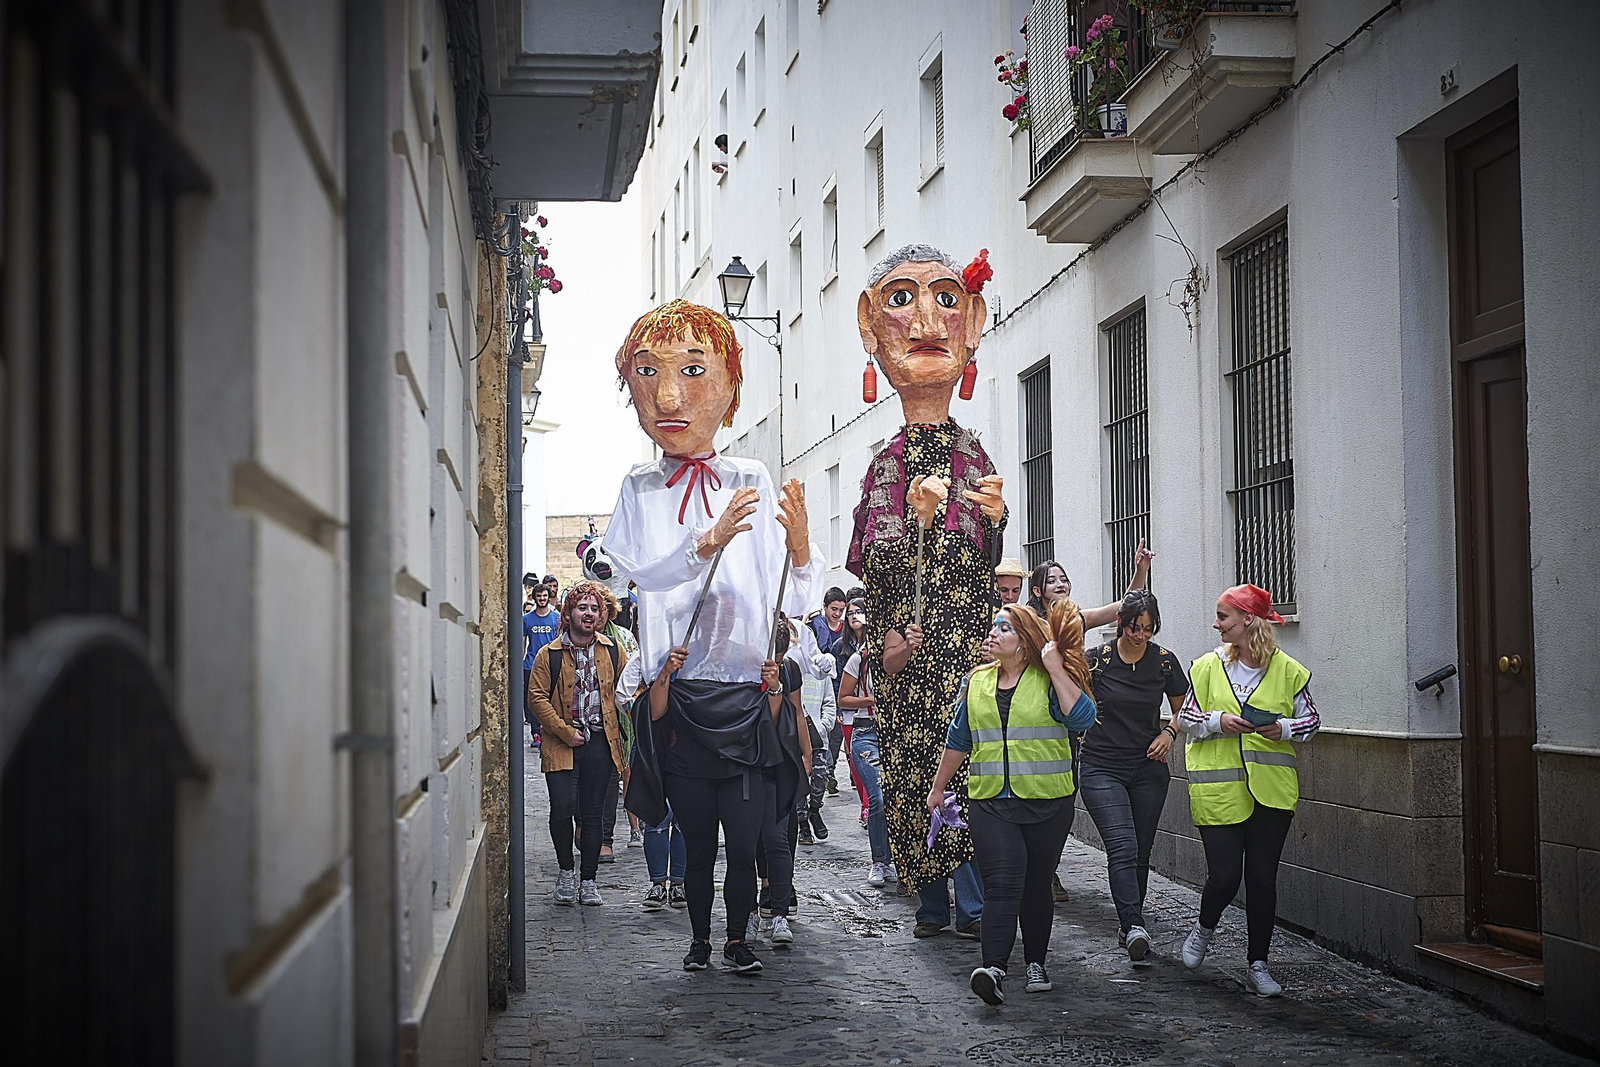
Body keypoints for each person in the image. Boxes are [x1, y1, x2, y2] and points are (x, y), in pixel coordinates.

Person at [608, 299, 823, 975]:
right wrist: (705, 541)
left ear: (728, 383)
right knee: (697, 843)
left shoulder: (751, 477)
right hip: (683, 701)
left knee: (748, 836)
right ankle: (700, 940)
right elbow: (636, 571)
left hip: (744, 699)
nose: (669, 395)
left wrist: (801, 546)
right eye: (649, 373)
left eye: (692, 370)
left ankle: (737, 938)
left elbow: (794, 595)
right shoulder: (640, 486)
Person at [847, 243, 1006, 945]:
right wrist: (913, 521)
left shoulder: (976, 455)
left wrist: (993, 523)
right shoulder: (885, 462)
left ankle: (968, 900)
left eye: (945, 298)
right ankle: (935, 898)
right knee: (916, 776)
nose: (927, 321)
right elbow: (874, 566)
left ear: (970, 321)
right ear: (873, 326)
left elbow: (985, 561)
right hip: (911, 662)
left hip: (967, 656)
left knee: (966, 774)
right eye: (903, 300)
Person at [928, 601, 1097, 1005]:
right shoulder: (977, 682)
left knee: (1036, 885)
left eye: (1003, 628)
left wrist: (1055, 667)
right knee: (1002, 885)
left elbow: (1084, 719)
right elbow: (958, 740)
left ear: (1024, 643)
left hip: (1047, 802)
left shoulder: (1048, 679)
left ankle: (1036, 962)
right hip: (990, 802)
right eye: (993, 627)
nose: (992, 633)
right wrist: (938, 788)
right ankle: (994, 968)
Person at [1178, 584, 1320, 997]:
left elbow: (1311, 721)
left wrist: (1284, 729)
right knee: (1224, 877)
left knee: (1261, 878)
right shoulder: (1206, 667)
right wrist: (1216, 721)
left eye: (1223, 617)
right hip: (1218, 790)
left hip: (1271, 792)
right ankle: (1204, 930)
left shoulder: (1288, 670)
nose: (1216, 624)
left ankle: (1258, 963)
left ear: (1247, 621)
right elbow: (1185, 716)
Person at [1027, 539, 1154, 903]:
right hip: (1036, 715)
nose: (1062, 585)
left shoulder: (1077, 618)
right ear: (1037, 590)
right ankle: (1040, 870)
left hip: (1073, 717)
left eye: (1064, 579)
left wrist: (1140, 571)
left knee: (1065, 795)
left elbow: (1126, 608)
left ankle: (1048, 865)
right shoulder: (1030, 623)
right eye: (1053, 581)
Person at [1080, 590, 1188, 961]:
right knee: (1122, 846)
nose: (1141, 635)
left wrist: (1169, 733)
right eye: (1134, 628)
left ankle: (1131, 924)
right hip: (1100, 766)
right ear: (1120, 625)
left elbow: (1184, 710)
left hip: (1148, 768)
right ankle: (1134, 922)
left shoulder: (1164, 662)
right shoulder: (1097, 661)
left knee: (1140, 850)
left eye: (1148, 628)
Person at [526, 582, 630, 907]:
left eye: (594, 609)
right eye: (582, 607)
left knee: (593, 814)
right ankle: (565, 872)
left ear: (601, 616)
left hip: (600, 743)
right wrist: (563, 730)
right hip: (561, 744)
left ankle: (588, 880)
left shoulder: (612, 649)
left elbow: (629, 687)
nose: (589, 614)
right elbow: (536, 698)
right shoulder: (549, 654)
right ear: (568, 612)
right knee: (561, 809)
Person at [751, 620, 810, 946]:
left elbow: (797, 710)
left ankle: (780, 901)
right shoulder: (745, 668)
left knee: (780, 833)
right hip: (751, 758)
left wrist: (806, 751)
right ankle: (761, 891)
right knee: (750, 836)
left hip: (781, 758)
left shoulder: (790, 671)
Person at [839, 600, 895, 887]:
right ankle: (879, 861)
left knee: (897, 798)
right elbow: (843, 698)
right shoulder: (857, 661)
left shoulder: (899, 660)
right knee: (879, 797)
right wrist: (871, 701)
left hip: (896, 733)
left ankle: (897, 857)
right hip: (865, 732)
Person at [807, 587, 850, 794]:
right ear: (825, 607)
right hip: (820, 681)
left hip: (841, 681)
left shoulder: (845, 628)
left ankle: (829, 772)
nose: (837, 613)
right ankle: (827, 772)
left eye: (841, 610)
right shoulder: (816, 626)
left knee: (837, 736)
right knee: (829, 733)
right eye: (834, 609)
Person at [835, 597, 873, 823]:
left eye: (859, 611)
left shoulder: (875, 646)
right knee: (856, 766)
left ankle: (869, 807)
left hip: (870, 717)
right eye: (850, 613)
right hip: (850, 714)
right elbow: (838, 686)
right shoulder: (842, 648)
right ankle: (865, 805)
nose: (854, 616)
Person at [523, 583, 559, 742]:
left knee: (552, 698)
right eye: (539, 596)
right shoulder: (526, 619)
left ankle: (550, 730)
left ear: (548, 596)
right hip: (530, 664)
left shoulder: (556, 618)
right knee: (532, 700)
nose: (542, 599)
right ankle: (536, 732)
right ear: (535, 597)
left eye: (545, 596)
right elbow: (522, 642)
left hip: (551, 664)